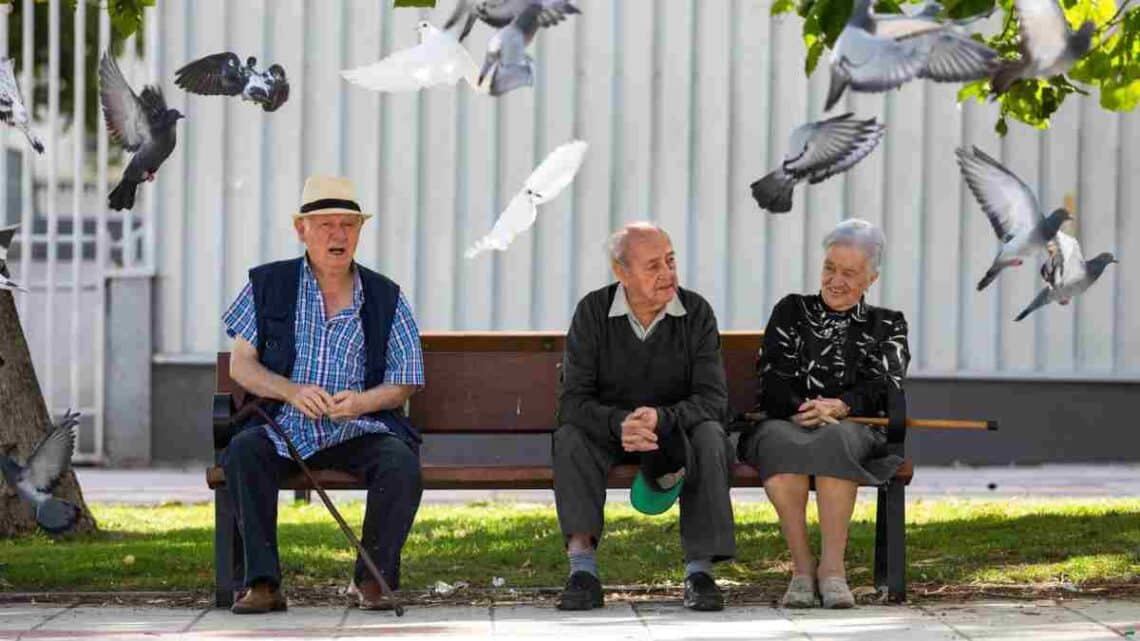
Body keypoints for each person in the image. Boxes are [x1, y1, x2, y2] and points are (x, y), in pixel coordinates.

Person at [220, 175, 425, 613]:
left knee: (400, 463)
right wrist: (291, 392)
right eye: (326, 224)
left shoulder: (386, 295)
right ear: (302, 230)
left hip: (357, 427)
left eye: (348, 225)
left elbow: (406, 378)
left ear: (359, 232)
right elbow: (241, 364)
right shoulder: (268, 284)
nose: (338, 235)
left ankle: (371, 581)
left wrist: (360, 402)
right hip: (285, 424)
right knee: (243, 452)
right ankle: (263, 584)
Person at [553, 221, 736, 612]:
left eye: (670, 261)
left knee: (710, 435)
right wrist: (620, 423)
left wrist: (661, 419)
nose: (667, 274)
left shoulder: (696, 313)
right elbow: (573, 401)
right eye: (653, 266)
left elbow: (713, 399)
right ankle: (582, 571)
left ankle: (700, 573)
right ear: (622, 273)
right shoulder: (592, 312)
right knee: (570, 436)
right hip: (610, 432)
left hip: (676, 430)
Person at [738, 218, 909, 609]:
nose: (835, 280)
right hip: (786, 421)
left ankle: (833, 570)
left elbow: (885, 381)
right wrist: (803, 408)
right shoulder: (791, 310)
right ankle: (802, 570)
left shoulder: (888, 323)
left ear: (871, 278)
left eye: (849, 273)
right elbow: (772, 375)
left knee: (836, 437)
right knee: (781, 442)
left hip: (850, 426)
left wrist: (841, 405)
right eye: (830, 268)